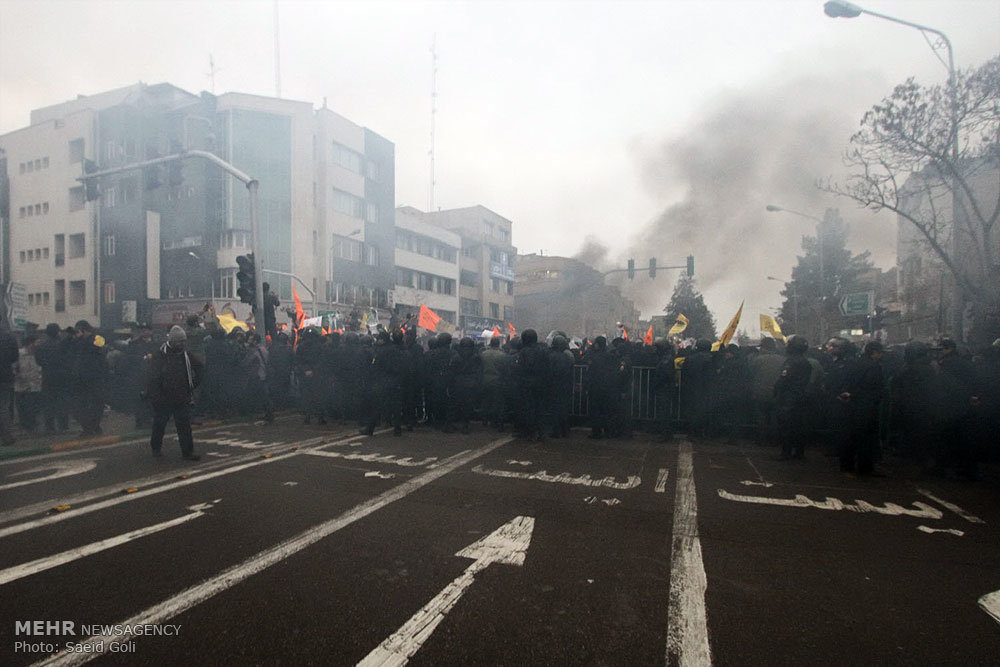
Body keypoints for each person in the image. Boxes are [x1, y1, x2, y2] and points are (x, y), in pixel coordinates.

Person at [146, 325, 204, 460]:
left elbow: (200, 368)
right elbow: (152, 378)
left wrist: (192, 384)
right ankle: (156, 448)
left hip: (182, 396)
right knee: (159, 425)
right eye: (179, 341)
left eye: (184, 341)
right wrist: (156, 396)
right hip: (163, 398)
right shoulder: (160, 355)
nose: (182, 344)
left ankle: (188, 452)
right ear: (172, 341)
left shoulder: (186, 355)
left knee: (184, 427)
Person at [774, 335, 813, 460]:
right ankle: (799, 452)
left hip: (789, 398)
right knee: (799, 426)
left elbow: (784, 379)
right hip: (800, 396)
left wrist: (777, 391)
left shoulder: (791, 362)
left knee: (787, 426)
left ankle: (786, 452)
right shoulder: (806, 362)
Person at [70, 320, 108, 437]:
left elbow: (100, 349)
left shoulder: (98, 338)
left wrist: (84, 340)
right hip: (81, 377)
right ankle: (89, 427)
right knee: (80, 404)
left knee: (97, 402)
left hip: (95, 376)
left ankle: (93, 426)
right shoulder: (77, 342)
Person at [35, 323, 71, 432]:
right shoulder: (63, 344)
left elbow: (39, 361)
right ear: (57, 332)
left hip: (48, 376)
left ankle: (50, 426)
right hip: (63, 376)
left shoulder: (42, 346)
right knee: (63, 401)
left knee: (49, 403)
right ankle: (63, 426)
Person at [15, 335, 43, 433]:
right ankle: (26, 427)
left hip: (35, 385)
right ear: (30, 343)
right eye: (37, 342)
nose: (38, 345)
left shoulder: (36, 354)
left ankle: (32, 426)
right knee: (24, 408)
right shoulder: (19, 354)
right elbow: (16, 369)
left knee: (33, 408)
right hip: (22, 386)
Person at [0, 326, 19, 446]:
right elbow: (14, 357)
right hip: (5, 375)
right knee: (3, 407)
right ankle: (7, 436)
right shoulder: (9, 337)